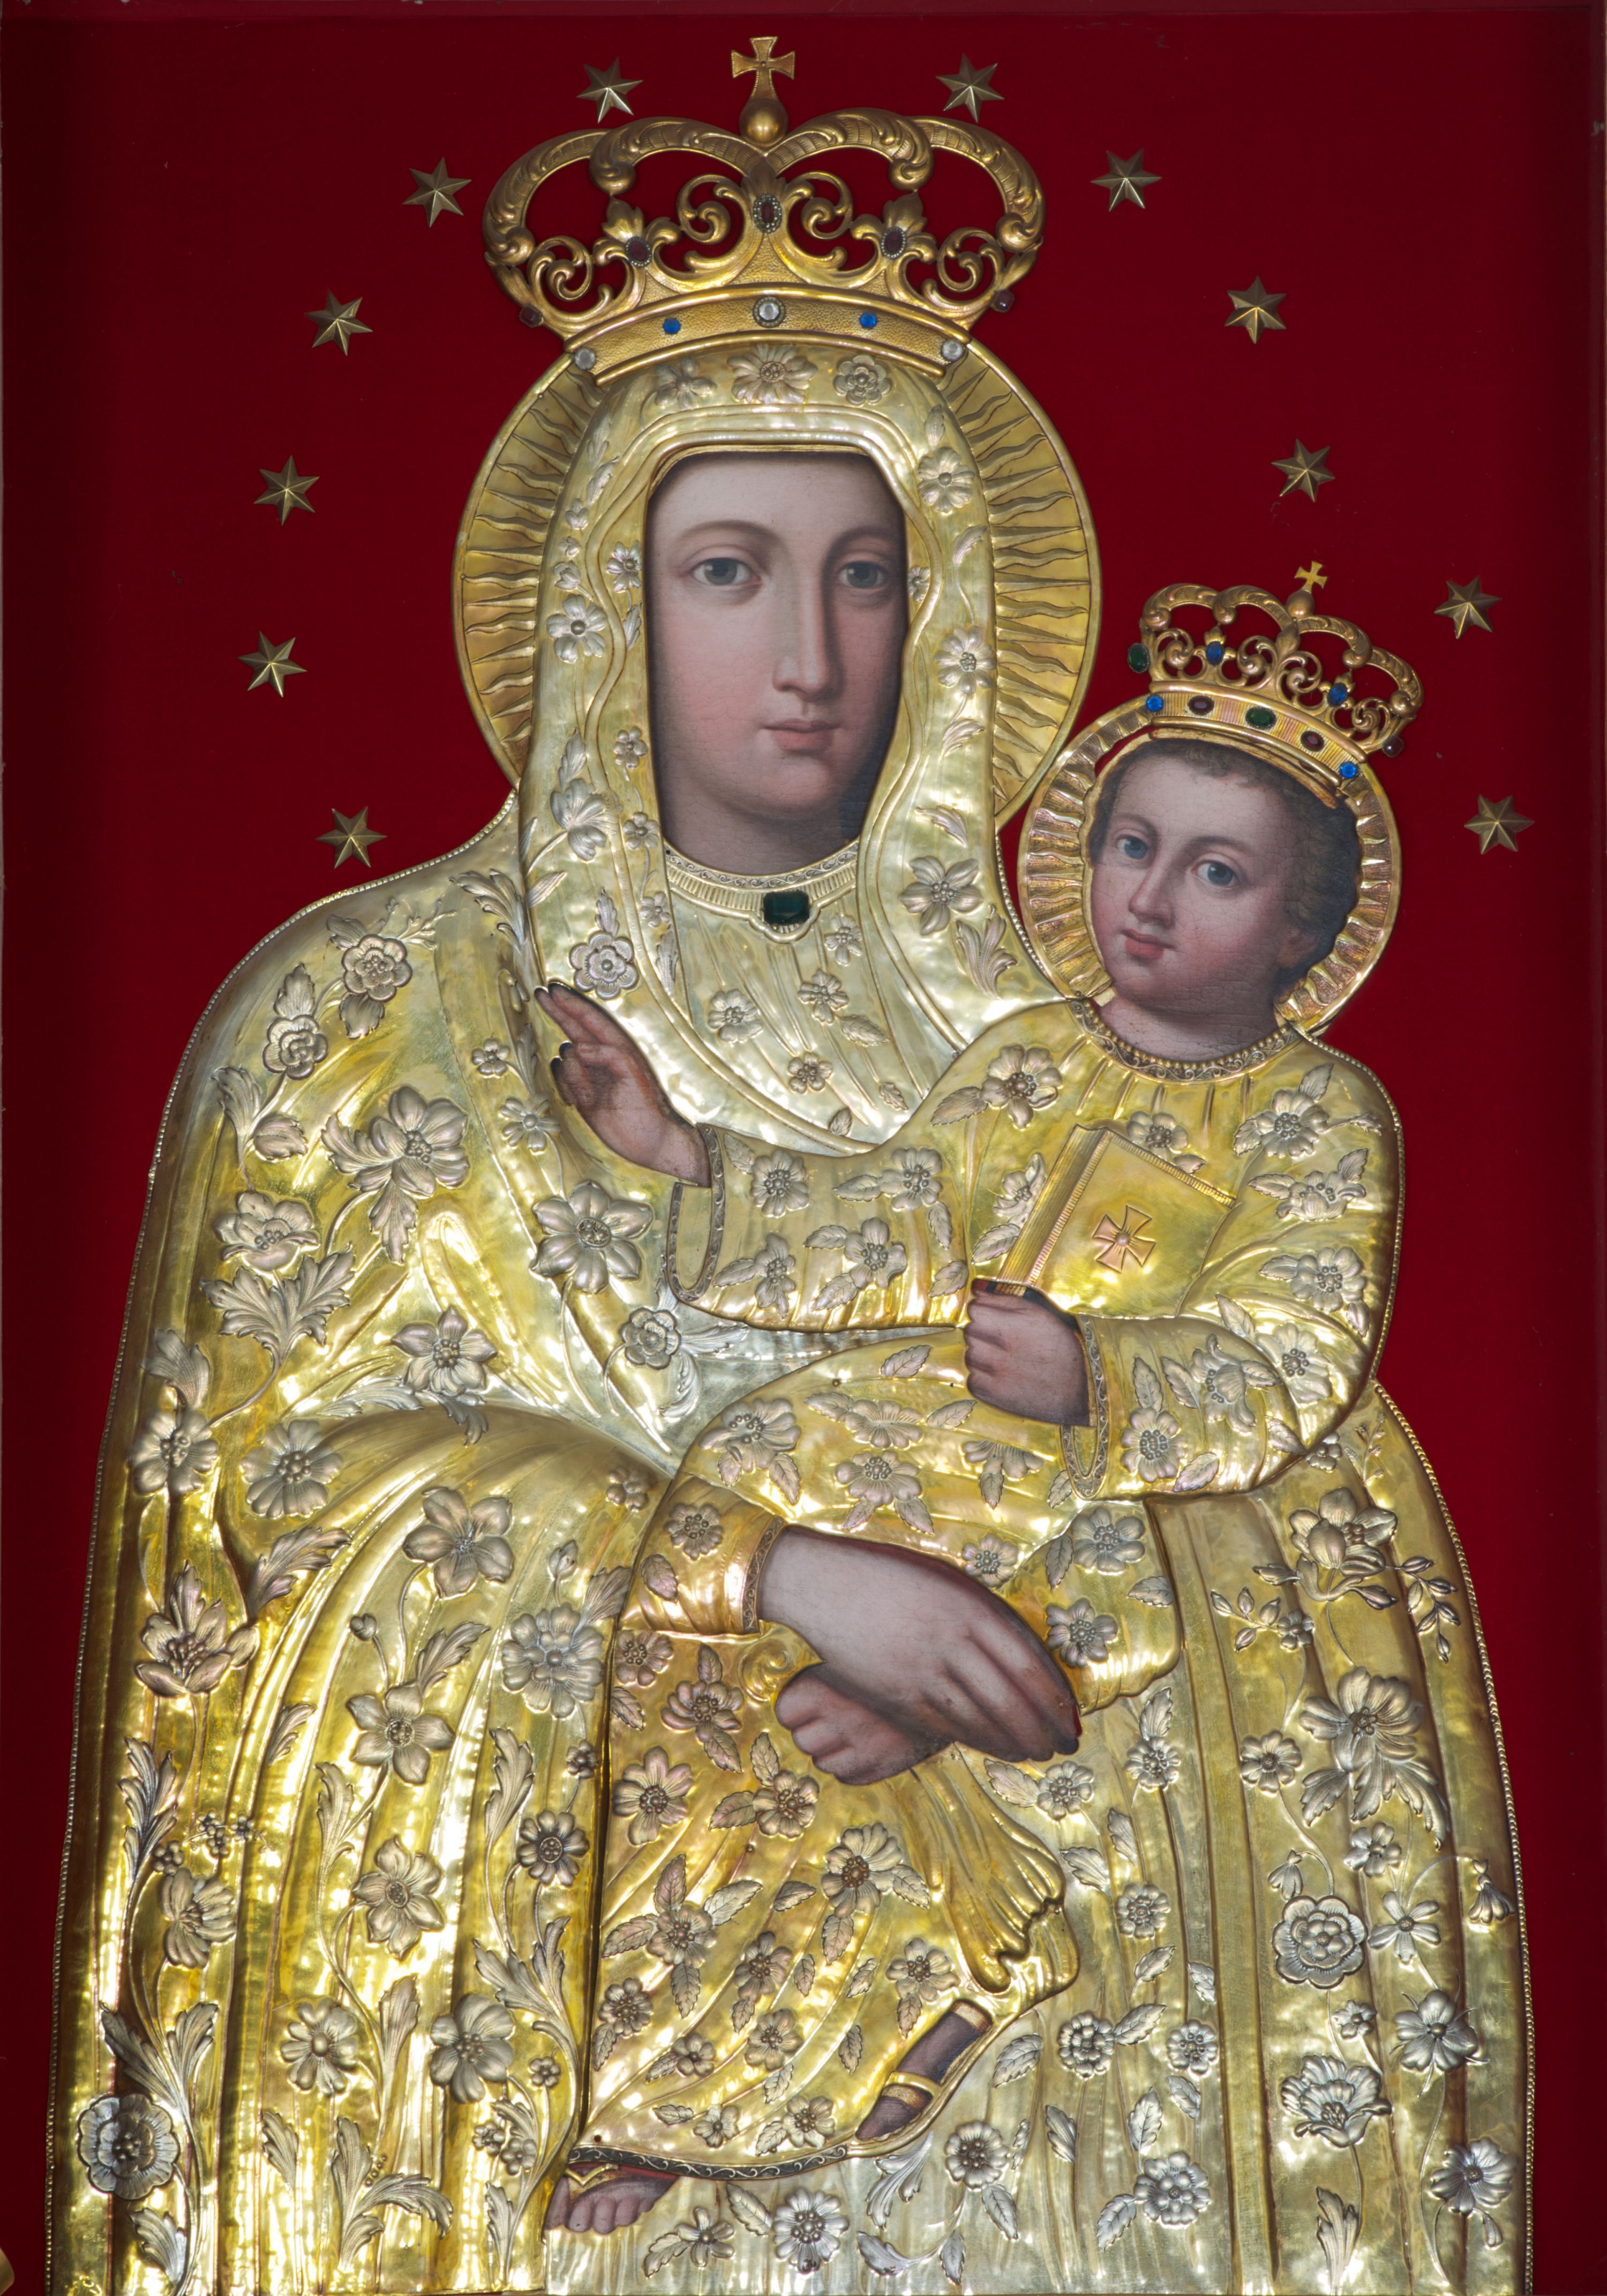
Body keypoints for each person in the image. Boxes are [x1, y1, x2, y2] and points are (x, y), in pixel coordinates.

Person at [47, 310, 1102, 2292]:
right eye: (730, 573)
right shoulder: (362, 1012)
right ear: (610, 599)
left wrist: (1029, 1659)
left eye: (866, 577)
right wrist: (772, 1574)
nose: (811, 660)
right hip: (534, 1961)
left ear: (948, 611)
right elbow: (257, 1520)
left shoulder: (1080, 1058)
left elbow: (1240, 1477)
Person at [533, 670, 1527, 2295]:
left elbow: (1293, 1349)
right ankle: (704, 2063)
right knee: (694, 1616)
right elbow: (897, 1225)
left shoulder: (1319, 1116)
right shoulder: (1026, 1060)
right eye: (1135, 845)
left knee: (1000, 1639)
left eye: (1217, 870)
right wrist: (683, 1155)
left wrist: (1098, 1379)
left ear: (1301, 930)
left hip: (1145, 1491)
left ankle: (946, 1934)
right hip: (913, 1438)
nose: (1152, 896)